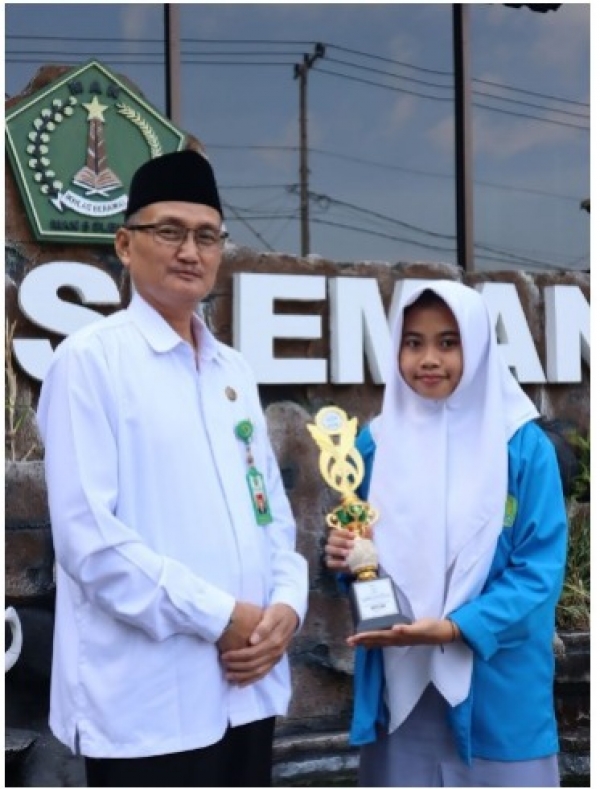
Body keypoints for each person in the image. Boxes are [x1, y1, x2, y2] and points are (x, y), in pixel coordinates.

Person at [36, 149, 308, 788]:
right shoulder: (90, 362)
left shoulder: (233, 371)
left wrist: (287, 608)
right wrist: (221, 617)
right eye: (170, 232)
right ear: (124, 245)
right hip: (150, 706)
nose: (190, 251)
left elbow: (270, 511)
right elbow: (89, 539)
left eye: (207, 236)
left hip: (248, 690)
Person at [325, 280, 568, 787]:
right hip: (401, 688)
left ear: (477, 346)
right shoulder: (374, 445)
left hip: (498, 696)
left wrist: (457, 628)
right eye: (413, 342)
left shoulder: (521, 447)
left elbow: (538, 573)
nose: (429, 359)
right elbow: (363, 555)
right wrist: (345, 555)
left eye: (448, 342)